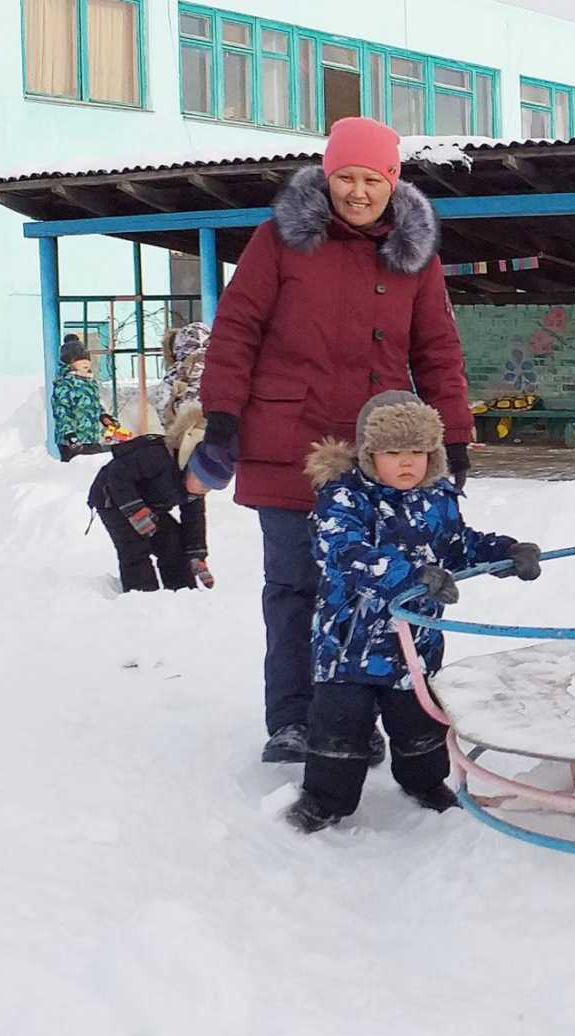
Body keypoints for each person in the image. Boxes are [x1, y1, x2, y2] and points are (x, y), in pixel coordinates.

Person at [190, 116, 475, 763]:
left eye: (369, 179)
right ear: (326, 176)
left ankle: (353, 715)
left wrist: (452, 435)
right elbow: (237, 329)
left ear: (391, 181)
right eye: (344, 176)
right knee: (296, 587)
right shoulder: (279, 241)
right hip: (290, 443)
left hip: (379, 456)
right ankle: (293, 719)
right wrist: (224, 415)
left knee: (374, 588)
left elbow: (437, 349)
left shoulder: (412, 255)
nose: (356, 191)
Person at [284, 391, 542, 832]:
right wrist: (410, 576)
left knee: (419, 725)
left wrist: (504, 553)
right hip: (351, 647)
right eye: (393, 452)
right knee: (341, 729)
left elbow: (458, 544)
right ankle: (325, 800)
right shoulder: (345, 497)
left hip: (414, 646)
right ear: (369, 454)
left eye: (418, 452)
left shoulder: (436, 496)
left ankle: (426, 783)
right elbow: (343, 551)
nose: (407, 463)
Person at [86, 406, 209, 593]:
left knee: (173, 542)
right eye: (202, 481)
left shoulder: (194, 486)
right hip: (112, 498)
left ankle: (183, 592)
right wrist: (136, 511)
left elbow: (194, 518)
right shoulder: (157, 456)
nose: (203, 489)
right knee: (134, 547)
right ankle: (142, 596)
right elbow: (117, 475)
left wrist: (196, 554)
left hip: (148, 503)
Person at [51, 337, 111, 460]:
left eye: (87, 359)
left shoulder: (90, 382)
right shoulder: (65, 384)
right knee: (78, 472)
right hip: (72, 441)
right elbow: (62, 410)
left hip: (91, 438)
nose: (85, 363)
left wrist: (104, 416)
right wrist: (69, 434)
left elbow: (94, 405)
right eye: (79, 359)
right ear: (69, 362)